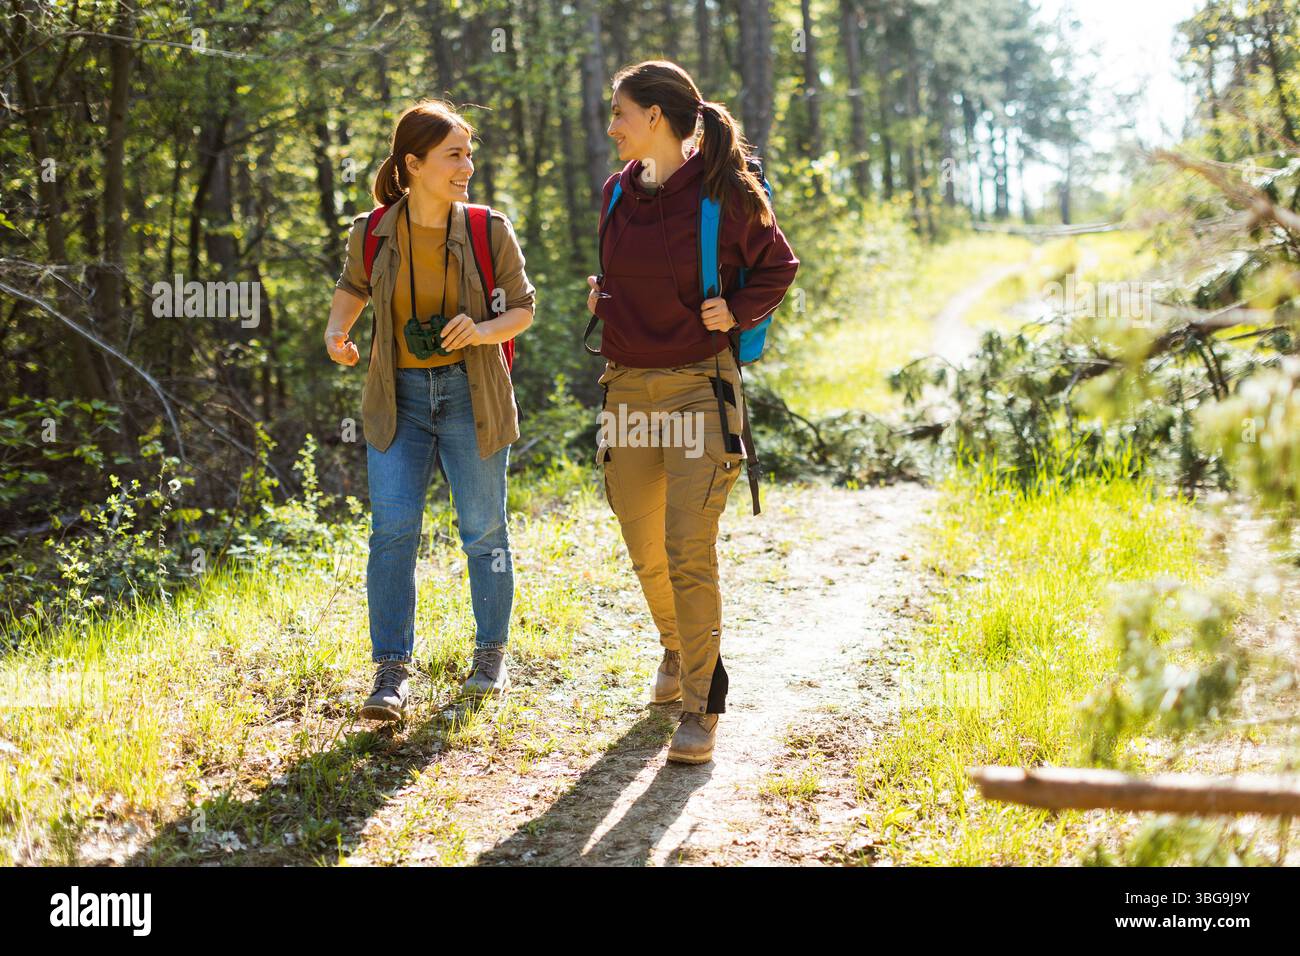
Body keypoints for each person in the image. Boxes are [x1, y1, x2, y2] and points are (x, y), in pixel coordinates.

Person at [586, 61, 799, 763]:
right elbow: (631, 274)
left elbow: (780, 266)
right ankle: (676, 651)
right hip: (625, 390)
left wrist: (735, 310)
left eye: (620, 112)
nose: (612, 125)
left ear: (656, 117)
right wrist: (603, 298)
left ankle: (702, 706)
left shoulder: (724, 193)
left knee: (687, 547)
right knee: (644, 547)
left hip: (697, 388)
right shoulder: (620, 191)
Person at [325, 100, 535, 720]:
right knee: (392, 534)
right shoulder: (371, 231)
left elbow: (522, 309)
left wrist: (482, 329)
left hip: (473, 396)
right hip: (400, 403)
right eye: (454, 155)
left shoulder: (486, 228)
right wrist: (337, 333)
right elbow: (352, 287)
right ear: (413, 164)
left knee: (484, 532)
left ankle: (489, 658)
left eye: (469, 154)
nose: (467, 166)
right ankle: (390, 674)